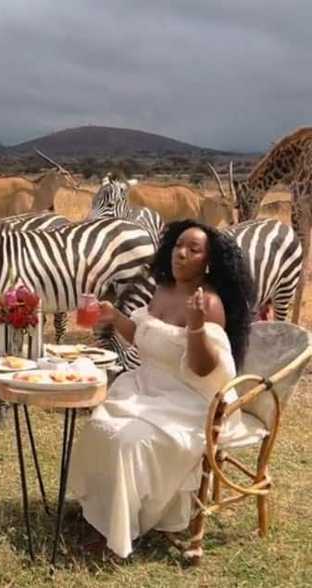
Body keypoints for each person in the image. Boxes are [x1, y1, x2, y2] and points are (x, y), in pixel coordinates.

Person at [67, 220, 256, 558]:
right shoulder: (163, 290)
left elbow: (202, 369)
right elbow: (145, 339)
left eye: (193, 249)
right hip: (147, 390)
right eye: (178, 245)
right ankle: (101, 511)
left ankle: (120, 532)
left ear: (207, 262)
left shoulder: (208, 304)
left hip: (187, 403)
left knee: (128, 441)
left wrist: (197, 327)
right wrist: (113, 315)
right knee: (100, 426)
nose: (180, 253)